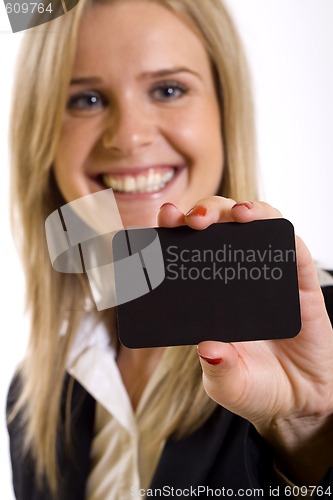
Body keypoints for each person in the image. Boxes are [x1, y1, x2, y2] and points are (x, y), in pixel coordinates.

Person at [6, 0, 333, 498]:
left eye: (168, 89)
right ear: (42, 134)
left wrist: (307, 433)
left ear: (225, 110)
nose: (130, 137)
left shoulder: (319, 341)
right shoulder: (33, 396)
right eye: (86, 99)